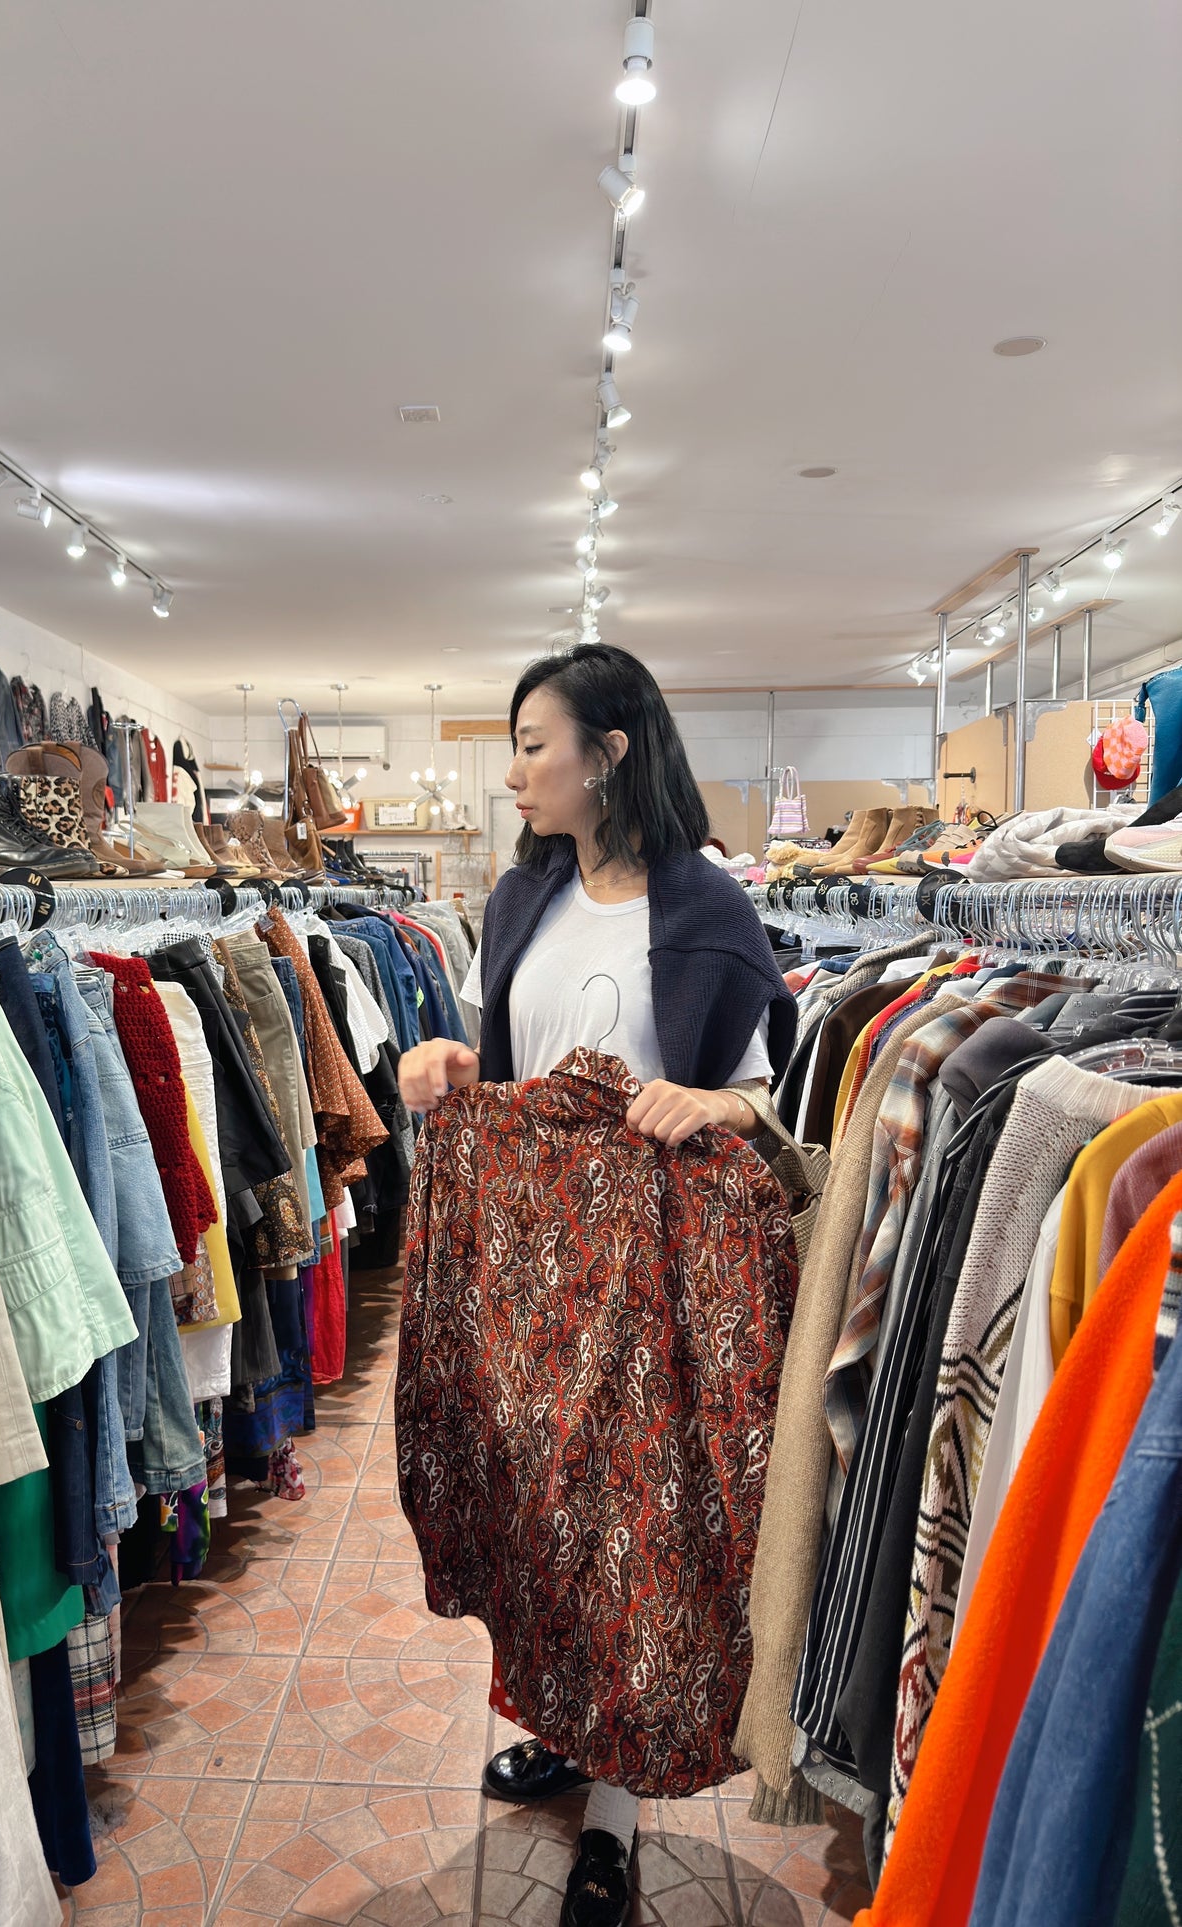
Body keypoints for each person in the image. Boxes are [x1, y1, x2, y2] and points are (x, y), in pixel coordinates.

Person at [397, 642, 797, 1927]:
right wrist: (441, 1067)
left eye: (530, 744)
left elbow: (774, 1100)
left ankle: (614, 1817)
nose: (511, 772)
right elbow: (490, 1056)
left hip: (650, 1282)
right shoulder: (520, 899)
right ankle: (565, 1734)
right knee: (541, 1525)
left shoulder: (706, 910)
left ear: (607, 753)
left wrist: (712, 1100)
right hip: (529, 1281)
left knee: (630, 1543)